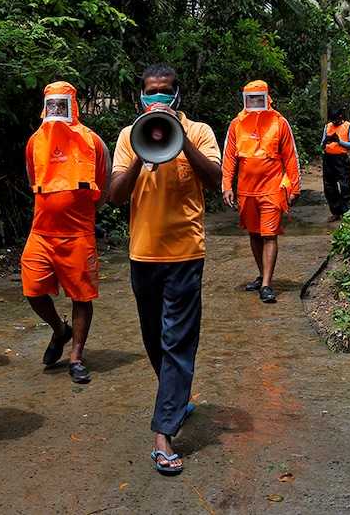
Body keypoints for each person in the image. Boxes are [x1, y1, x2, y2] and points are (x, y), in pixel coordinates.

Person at [110, 63, 222, 474]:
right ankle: (176, 399)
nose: (157, 98)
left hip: (186, 253)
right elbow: (115, 196)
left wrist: (179, 138)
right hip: (143, 254)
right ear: (141, 97)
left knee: (178, 340)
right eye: (151, 92)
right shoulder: (128, 136)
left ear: (177, 95)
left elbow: (214, 180)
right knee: (155, 340)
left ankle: (163, 434)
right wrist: (143, 151)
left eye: (165, 92)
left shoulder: (200, 132)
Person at [21, 81, 110, 384]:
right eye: (52, 104)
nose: (56, 110)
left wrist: (84, 214)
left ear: (73, 105)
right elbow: (33, 179)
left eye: (62, 104)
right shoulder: (35, 141)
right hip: (42, 232)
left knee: (81, 296)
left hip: (79, 234)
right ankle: (60, 331)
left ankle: (76, 357)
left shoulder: (92, 141)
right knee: (33, 290)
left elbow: (104, 182)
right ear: (44, 106)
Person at [221, 80, 301, 304]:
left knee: (269, 234)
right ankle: (262, 275)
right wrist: (226, 185)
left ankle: (266, 284)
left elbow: (291, 157)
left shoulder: (279, 123)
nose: (255, 103)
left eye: (259, 98)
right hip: (246, 191)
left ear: (267, 98)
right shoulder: (237, 124)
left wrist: (294, 188)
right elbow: (229, 158)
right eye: (251, 99)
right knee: (254, 233)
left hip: (272, 189)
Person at [320, 106, 350, 222]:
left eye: (335, 120)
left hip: (341, 159)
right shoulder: (328, 126)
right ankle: (336, 212)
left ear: (340, 117)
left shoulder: (349, 126)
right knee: (329, 186)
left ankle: (348, 213)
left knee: (344, 185)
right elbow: (321, 144)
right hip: (328, 159)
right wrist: (326, 141)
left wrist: (339, 141)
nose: (334, 122)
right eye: (332, 120)